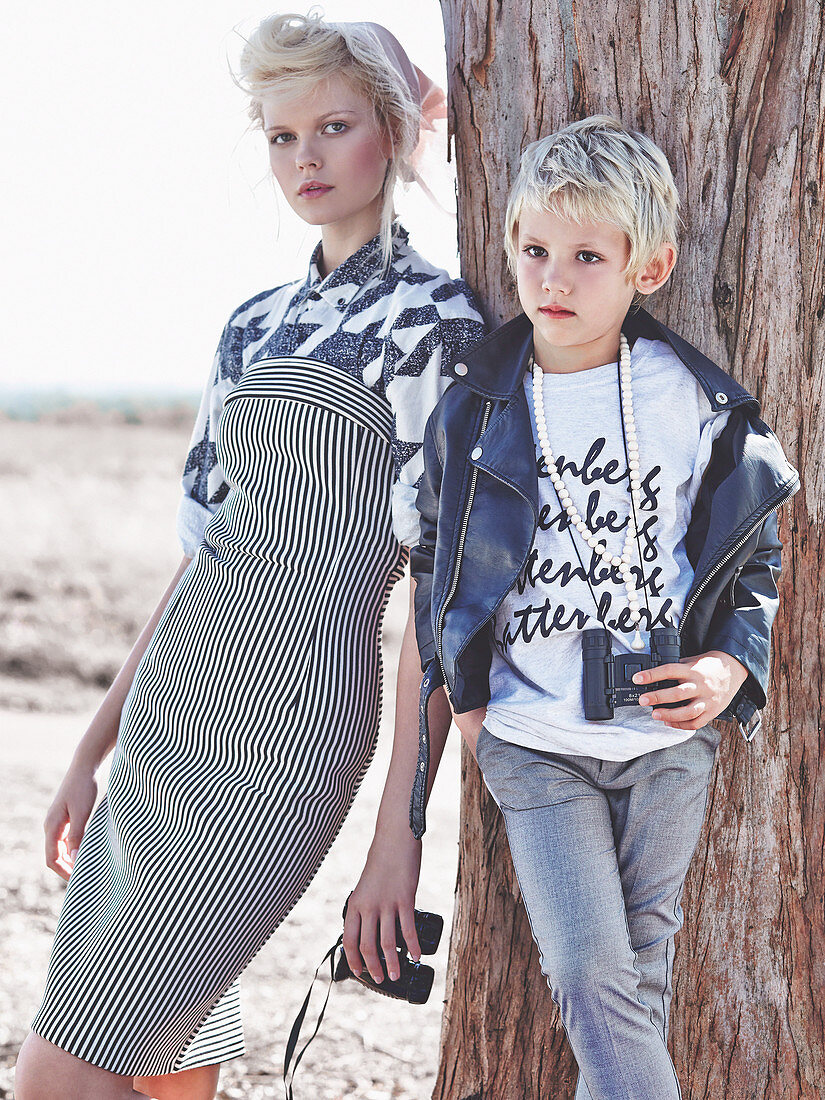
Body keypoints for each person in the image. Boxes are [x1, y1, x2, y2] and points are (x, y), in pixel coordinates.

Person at [15, 13, 485, 1100]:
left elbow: (437, 602)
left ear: (393, 134)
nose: (306, 158)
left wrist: (397, 841)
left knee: (61, 1072)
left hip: (287, 731)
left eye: (333, 126)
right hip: (174, 710)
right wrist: (95, 745)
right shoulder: (251, 325)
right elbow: (200, 552)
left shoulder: (440, 327)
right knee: (168, 1069)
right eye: (281, 136)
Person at [344, 116, 798, 1098]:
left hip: (669, 739)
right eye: (534, 248)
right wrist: (472, 710)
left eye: (588, 254)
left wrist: (727, 669)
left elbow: (754, 551)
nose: (553, 276)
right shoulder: (482, 400)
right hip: (533, 737)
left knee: (637, 977)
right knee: (591, 967)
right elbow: (443, 564)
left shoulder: (695, 400)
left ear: (651, 264)